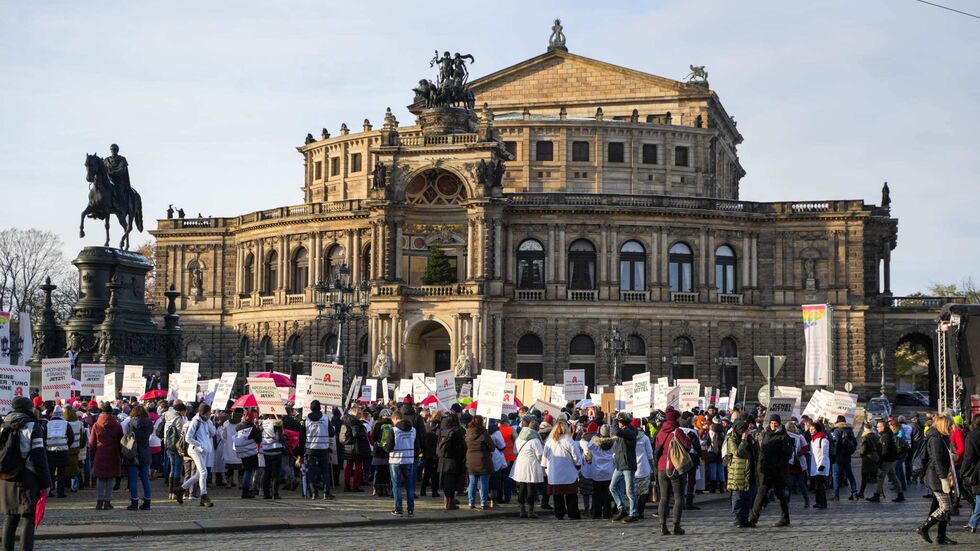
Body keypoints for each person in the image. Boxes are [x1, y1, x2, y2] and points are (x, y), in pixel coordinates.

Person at [0, 396, 51, 551]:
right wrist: (46, 482)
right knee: (28, 517)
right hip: (27, 476)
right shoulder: (32, 426)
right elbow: (39, 457)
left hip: (5, 476)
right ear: (29, 409)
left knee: (10, 516)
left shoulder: (3, 424)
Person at [917, 414, 956, 544]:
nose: (952, 427)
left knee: (939, 506)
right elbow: (937, 460)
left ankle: (941, 536)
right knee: (946, 506)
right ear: (943, 425)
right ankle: (924, 528)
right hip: (937, 476)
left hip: (941, 474)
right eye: (950, 425)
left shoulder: (942, 437)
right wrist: (943, 478)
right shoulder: (935, 439)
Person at [748, 415, 794, 527]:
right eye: (772, 423)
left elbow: (788, 454)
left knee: (780, 496)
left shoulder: (784, 436)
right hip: (766, 471)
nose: (773, 425)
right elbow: (762, 452)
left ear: (779, 423)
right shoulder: (766, 434)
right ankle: (753, 519)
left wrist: (778, 463)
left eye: (775, 423)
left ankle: (785, 518)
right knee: (761, 494)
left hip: (778, 471)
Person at [594, 412, 638, 523]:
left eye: (619, 422)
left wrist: (614, 419)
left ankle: (634, 513)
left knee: (630, 491)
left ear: (623, 423)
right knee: (612, 487)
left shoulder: (631, 432)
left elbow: (616, 431)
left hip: (627, 465)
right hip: (619, 465)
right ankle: (621, 508)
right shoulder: (624, 431)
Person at [654, 407, 691, 535]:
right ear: (676, 419)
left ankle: (663, 526)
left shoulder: (660, 432)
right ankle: (676, 526)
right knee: (678, 497)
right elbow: (688, 446)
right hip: (675, 467)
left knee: (663, 498)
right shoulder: (678, 431)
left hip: (661, 468)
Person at [541, 418, 582, 520]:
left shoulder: (549, 442)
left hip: (554, 473)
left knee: (557, 496)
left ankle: (559, 513)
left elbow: (544, 458)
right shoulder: (569, 440)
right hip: (568, 473)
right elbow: (576, 457)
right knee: (571, 495)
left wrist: (546, 468)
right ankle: (573, 513)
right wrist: (578, 465)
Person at [90, 402, 123, 510]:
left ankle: (99, 502)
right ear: (111, 412)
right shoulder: (117, 425)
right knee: (110, 479)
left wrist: (92, 456)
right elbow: (120, 440)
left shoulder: (96, 424)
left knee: (100, 479)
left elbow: (92, 443)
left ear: (102, 412)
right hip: (113, 453)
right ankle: (107, 502)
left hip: (100, 453)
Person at [180, 404, 215, 507]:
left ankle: (181, 489)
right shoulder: (196, 421)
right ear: (205, 413)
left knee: (198, 475)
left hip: (203, 450)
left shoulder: (206, 421)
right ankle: (204, 496)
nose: (210, 415)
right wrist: (200, 446)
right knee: (204, 472)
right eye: (209, 413)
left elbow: (213, 433)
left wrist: (209, 422)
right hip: (195, 450)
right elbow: (188, 438)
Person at [511, 417, 545, 519]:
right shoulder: (535, 440)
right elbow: (540, 455)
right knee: (531, 488)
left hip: (520, 465)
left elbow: (514, 452)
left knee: (521, 487)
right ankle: (530, 512)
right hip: (531, 465)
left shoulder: (520, 438)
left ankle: (522, 511)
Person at [726, 421, 756, 527]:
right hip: (737, 472)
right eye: (745, 430)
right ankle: (737, 519)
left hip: (749, 470)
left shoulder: (750, 438)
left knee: (747, 498)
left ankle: (745, 518)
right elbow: (738, 453)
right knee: (737, 497)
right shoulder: (731, 438)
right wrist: (743, 440)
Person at [389, 411, 419, 516]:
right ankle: (411, 510)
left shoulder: (394, 430)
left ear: (395, 418)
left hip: (395, 460)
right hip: (409, 460)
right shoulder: (413, 430)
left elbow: (389, 447)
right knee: (410, 486)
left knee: (396, 485)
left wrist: (383, 446)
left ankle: (398, 509)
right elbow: (417, 445)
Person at [868, 419, 905, 503]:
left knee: (880, 477)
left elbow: (885, 451)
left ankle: (877, 495)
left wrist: (880, 461)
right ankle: (900, 494)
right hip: (890, 460)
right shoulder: (887, 434)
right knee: (893, 477)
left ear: (883, 427)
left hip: (886, 460)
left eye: (878, 427)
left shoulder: (885, 436)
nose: (877, 429)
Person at [125, 404, 153, 510]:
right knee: (145, 479)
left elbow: (127, 439)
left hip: (133, 453)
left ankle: (134, 502)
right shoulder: (149, 423)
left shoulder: (129, 424)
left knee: (133, 479)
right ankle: (147, 502)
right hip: (145, 452)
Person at [304, 400, 334, 500]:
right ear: (320, 408)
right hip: (323, 449)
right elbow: (332, 433)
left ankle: (314, 493)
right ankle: (326, 493)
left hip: (311, 449)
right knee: (325, 472)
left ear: (311, 408)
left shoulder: (306, 419)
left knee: (311, 472)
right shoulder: (326, 418)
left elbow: (302, 436)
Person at [437, 410, 466, 510]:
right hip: (454, 460)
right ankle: (450, 503)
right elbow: (462, 446)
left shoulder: (441, 430)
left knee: (445, 482)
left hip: (443, 460)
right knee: (452, 483)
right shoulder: (459, 430)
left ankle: (447, 502)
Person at [465, 415, 494, 510]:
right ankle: (483, 502)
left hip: (471, 459)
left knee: (472, 482)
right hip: (483, 459)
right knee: (484, 483)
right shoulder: (484, 433)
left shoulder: (468, 433)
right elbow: (492, 447)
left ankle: (471, 502)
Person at [44, 405, 73, 498]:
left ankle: (49, 492)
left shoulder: (47, 424)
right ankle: (60, 493)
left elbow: (43, 437)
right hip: (62, 451)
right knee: (61, 473)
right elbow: (71, 437)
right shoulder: (66, 424)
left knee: (50, 473)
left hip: (50, 451)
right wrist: (66, 445)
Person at [233, 410, 261, 499]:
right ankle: (245, 491)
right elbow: (258, 440)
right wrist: (257, 428)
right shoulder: (252, 428)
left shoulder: (238, 426)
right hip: (250, 452)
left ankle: (245, 489)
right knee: (249, 471)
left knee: (246, 470)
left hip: (242, 452)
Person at [340, 407, 369, 492]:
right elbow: (355, 434)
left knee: (348, 465)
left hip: (347, 446)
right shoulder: (355, 421)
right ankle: (356, 486)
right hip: (356, 447)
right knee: (358, 466)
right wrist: (364, 433)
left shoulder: (345, 420)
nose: (361, 415)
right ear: (355, 413)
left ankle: (347, 485)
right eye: (359, 413)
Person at [162, 401, 187, 500]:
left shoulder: (167, 416)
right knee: (177, 468)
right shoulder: (178, 419)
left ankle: (170, 491)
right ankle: (176, 492)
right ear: (182, 411)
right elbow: (182, 434)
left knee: (172, 468)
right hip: (176, 446)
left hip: (168, 445)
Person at [830, 415, 858, 501]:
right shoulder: (850, 430)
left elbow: (836, 444)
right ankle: (854, 493)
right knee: (850, 475)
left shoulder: (837, 431)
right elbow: (855, 443)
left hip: (838, 457)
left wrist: (833, 455)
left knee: (836, 476)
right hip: (847, 457)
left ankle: (836, 495)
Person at [960, 415, 980, 533]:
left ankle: (972, 523)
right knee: (978, 498)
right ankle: (972, 523)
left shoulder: (971, 436)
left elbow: (968, 457)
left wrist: (962, 472)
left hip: (977, 471)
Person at [260, 415, 284, 500]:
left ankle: (266, 493)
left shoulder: (263, 422)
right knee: (275, 474)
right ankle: (275, 493)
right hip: (276, 449)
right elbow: (279, 437)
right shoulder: (276, 423)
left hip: (266, 449)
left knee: (267, 472)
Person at [808, 421, 830, 509]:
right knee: (817, 485)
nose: (811, 431)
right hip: (814, 465)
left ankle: (823, 503)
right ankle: (818, 502)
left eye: (813, 429)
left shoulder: (823, 440)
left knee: (820, 485)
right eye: (810, 429)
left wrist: (822, 464)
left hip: (821, 465)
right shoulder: (812, 440)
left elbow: (824, 453)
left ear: (817, 429)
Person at [857, 421, 880, 499]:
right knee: (876, 476)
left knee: (864, 476)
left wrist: (861, 455)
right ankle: (880, 493)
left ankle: (861, 493)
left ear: (865, 428)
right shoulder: (876, 436)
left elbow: (863, 449)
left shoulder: (865, 436)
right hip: (875, 457)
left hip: (867, 458)